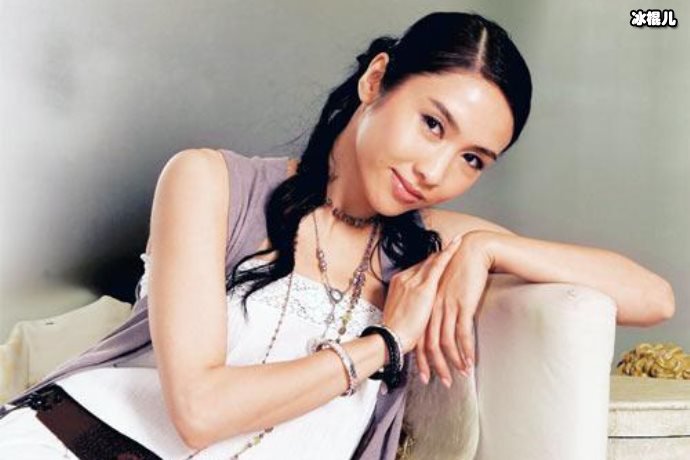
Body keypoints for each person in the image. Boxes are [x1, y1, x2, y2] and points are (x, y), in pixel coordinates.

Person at [0, 10, 675, 460]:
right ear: (377, 80)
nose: (435, 171)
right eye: (432, 124)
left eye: (472, 159)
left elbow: (652, 298)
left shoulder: (425, 243)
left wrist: (490, 246)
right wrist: (384, 343)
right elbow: (198, 410)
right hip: (69, 441)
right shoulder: (211, 182)